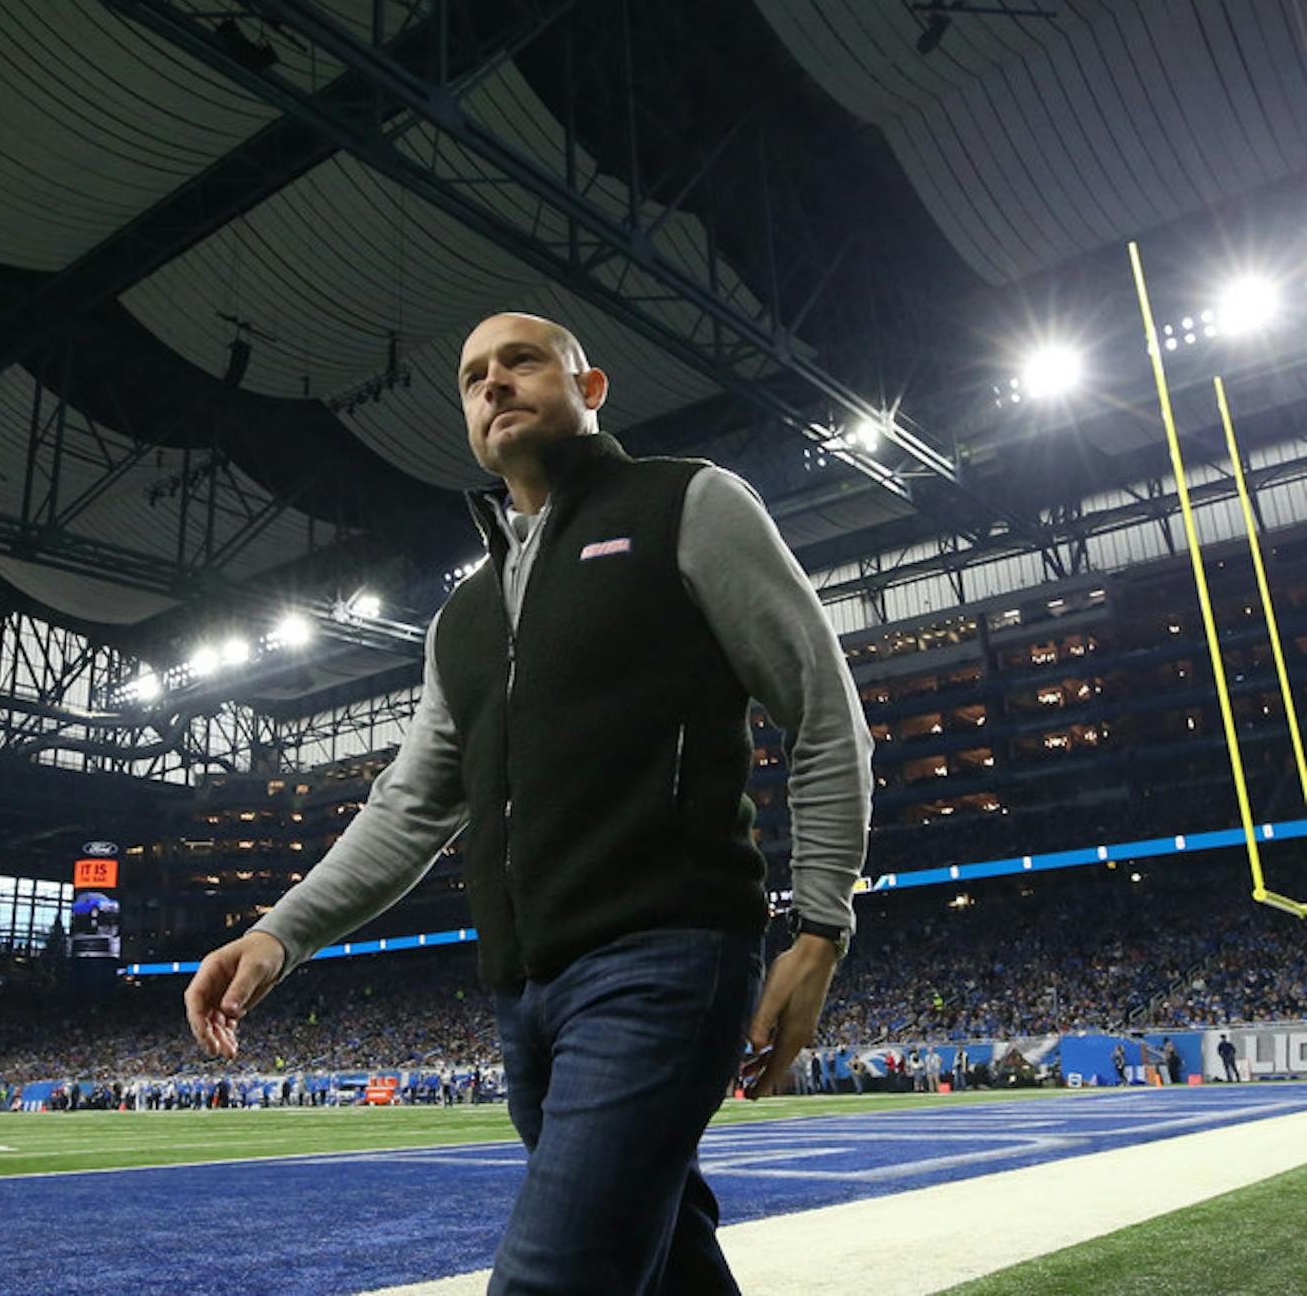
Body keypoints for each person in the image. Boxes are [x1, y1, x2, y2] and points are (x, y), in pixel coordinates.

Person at [181, 312, 872, 1294]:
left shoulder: (688, 503)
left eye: (522, 360)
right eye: (473, 376)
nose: (495, 382)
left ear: (589, 391)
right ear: (465, 418)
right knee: (666, 1255)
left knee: (554, 1276)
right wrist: (278, 934)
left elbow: (823, 712)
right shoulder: (462, 616)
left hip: (664, 958)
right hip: (525, 997)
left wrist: (820, 927)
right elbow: (410, 805)